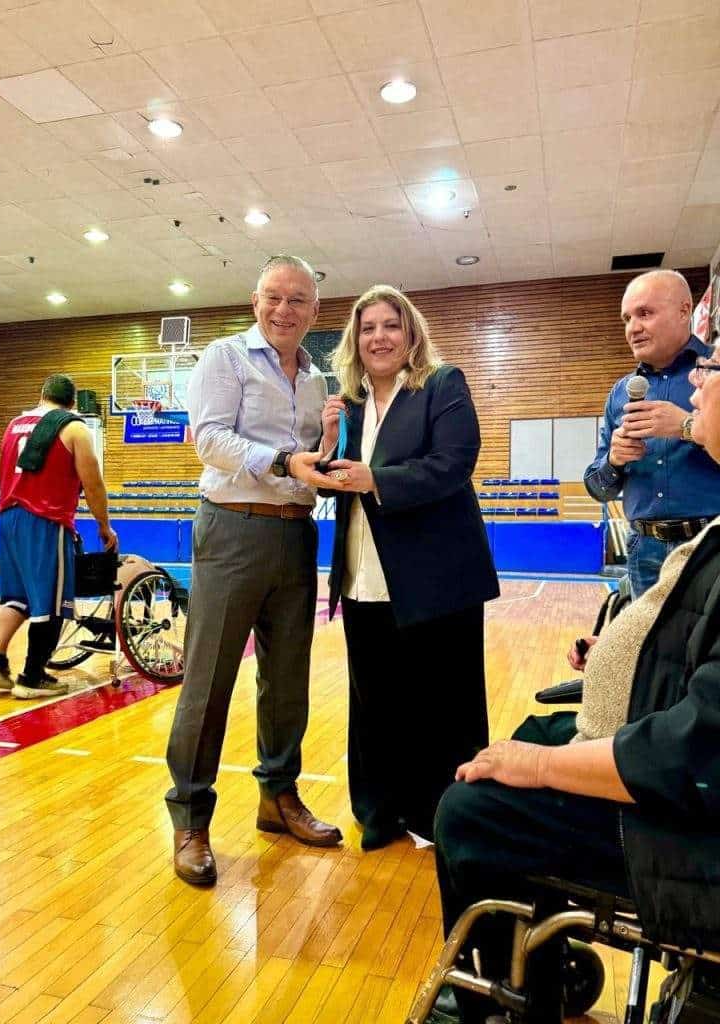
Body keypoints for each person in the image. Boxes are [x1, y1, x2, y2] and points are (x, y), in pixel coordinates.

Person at [431, 345, 720, 1023]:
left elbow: (693, 754)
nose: (699, 382)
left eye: (714, 373)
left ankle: (495, 1000)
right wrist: (628, 650)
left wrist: (541, 768)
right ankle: (534, 973)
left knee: (471, 807)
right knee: (528, 735)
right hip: (673, 773)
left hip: (687, 832)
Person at [165, 254, 347, 887]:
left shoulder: (318, 381)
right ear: (255, 301)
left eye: (297, 300)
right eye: (274, 296)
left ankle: (278, 796)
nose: (283, 309)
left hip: (297, 534)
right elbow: (210, 439)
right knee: (208, 678)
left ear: (314, 312)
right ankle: (191, 818)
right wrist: (285, 460)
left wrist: (327, 451)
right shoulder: (225, 358)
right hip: (233, 530)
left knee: (287, 681)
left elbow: (312, 463)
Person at [321, 285, 499, 850]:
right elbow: (330, 477)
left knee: (444, 701)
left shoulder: (442, 384)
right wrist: (326, 442)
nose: (379, 337)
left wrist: (377, 479)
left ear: (411, 333)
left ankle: (445, 813)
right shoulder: (348, 404)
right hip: (363, 573)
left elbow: (454, 462)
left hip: (437, 578)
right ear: (355, 340)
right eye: (367, 328)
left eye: (390, 325)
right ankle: (379, 809)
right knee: (373, 701)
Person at [0, 374, 117, 700]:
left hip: (8, 518)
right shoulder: (74, 427)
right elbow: (93, 484)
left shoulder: (14, 425)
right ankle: (32, 676)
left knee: (19, 596)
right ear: (72, 402)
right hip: (44, 519)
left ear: (42, 396)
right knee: (53, 601)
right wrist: (104, 526)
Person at [584, 269, 720, 598]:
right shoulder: (620, 394)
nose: (632, 328)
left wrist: (689, 427)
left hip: (710, 546)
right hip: (644, 553)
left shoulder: (715, 373)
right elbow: (598, 488)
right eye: (627, 318)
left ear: (684, 311)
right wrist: (614, 461)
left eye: (644, 313)